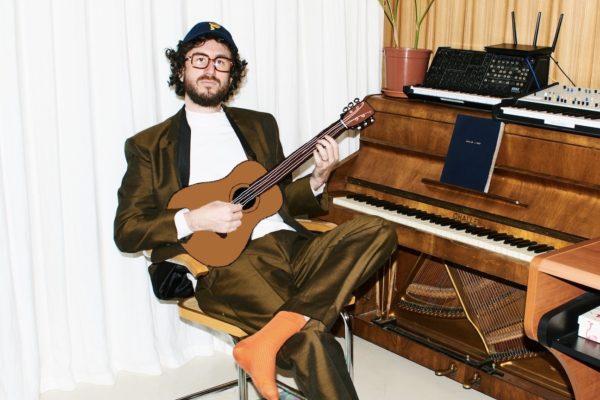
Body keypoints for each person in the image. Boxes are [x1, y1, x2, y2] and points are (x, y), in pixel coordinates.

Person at [114, 21, 397, 400]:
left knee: (380, 230)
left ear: (232, 73)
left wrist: (318, 178)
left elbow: (275, 198)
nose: (210, 68)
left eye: (221, 61)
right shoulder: (149, 145)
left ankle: (270, 336)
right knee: (311, 338)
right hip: (227, 264)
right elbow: (127, 230)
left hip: (293, 246)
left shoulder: (260, 125)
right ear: (181, 68)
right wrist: (194, 219)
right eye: (200, 59)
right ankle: (288, 328)